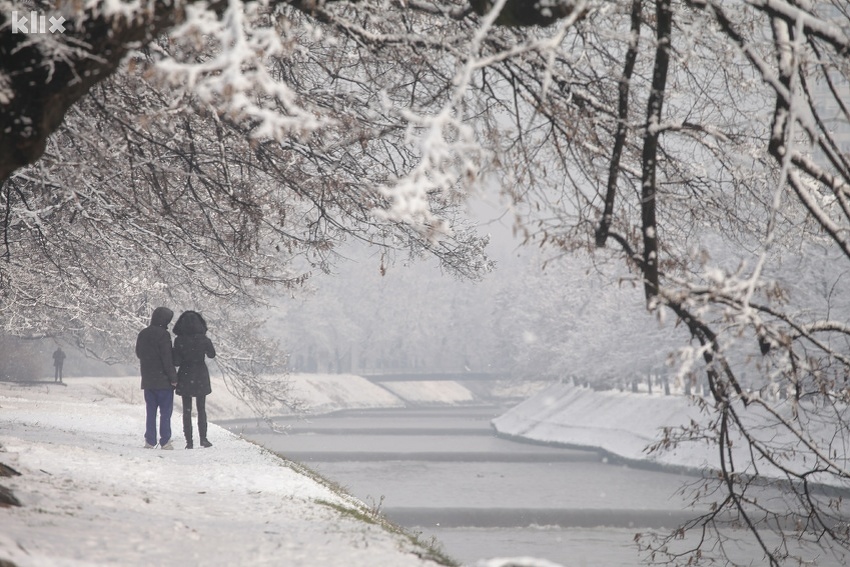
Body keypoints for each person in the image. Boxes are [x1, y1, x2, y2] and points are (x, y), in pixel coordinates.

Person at [135, 306, 178, 450]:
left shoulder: (143, 333)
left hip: (148, 380)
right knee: (165, 412)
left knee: (151, 411)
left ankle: (150, 440)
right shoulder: (163, 335)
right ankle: (165, 441)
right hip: (163, 381)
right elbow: (167, 359)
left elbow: (139, 353)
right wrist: (173, 378)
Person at [172, 310, 216, 449]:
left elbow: (177, 361)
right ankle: (203, 438)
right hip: (200, 374)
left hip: (185, 374)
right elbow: (211, 355)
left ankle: (189, 441)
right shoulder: (204, 340)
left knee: (187, 410)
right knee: (201, 409)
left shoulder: (179, 340)